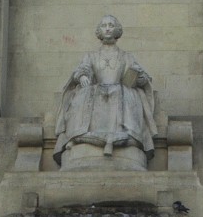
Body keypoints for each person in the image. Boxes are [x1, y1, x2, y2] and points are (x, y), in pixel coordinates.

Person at [54, 15, 156, 166]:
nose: (107, 28)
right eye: (104, 26)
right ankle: (80, 134)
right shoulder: (91, 56)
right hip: (96, 91)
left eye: (111, 25)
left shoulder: (126, 56)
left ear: (117, 31)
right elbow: (82, 69)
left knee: (124, 92)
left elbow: (141, 77)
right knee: (85, 92)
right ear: (99, 31)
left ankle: (126, 134)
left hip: (120, 91)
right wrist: (82, 76)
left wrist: (139, 78)